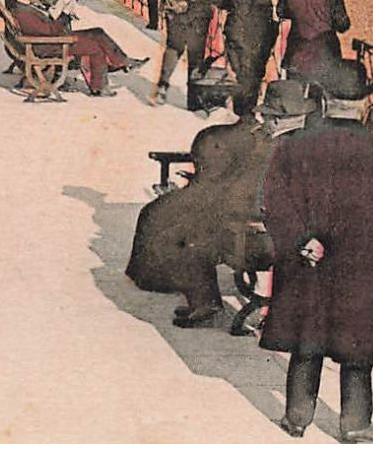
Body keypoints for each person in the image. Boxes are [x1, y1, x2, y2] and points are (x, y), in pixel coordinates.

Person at [260, 79, 373, 443]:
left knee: (306, 338)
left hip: (307, 259)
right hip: (364, 265)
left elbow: (273, 201)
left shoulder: (292, 147)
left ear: (325, 101)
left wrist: (301, 239)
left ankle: (296, 417)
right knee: (357, 344)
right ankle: (356, 423)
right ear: (367, 103)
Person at [125, 81, 310, 328]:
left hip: (259, 236)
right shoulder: (304, 143)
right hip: (288, 232)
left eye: (265, 116)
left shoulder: (270, 151)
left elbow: (242, 195)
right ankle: (204, 299)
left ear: (276, 119)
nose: (262, 121)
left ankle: (205, 303)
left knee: (184, 234)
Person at [4, 0, 142, 96]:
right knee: (95, 47)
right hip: (49, 46)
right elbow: (50, 32)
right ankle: (101, 85)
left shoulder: (22, 5)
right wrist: (64, 14)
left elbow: (45, 28)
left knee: (97, 32)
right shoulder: (24, 13)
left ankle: (122, 61)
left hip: (48, 40)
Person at [216, 0, 276, 121]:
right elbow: (265, 8)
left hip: (235, 29)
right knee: (251, 80)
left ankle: (238, 118)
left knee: (238, 75)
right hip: (257, 35)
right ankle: (245, 119)